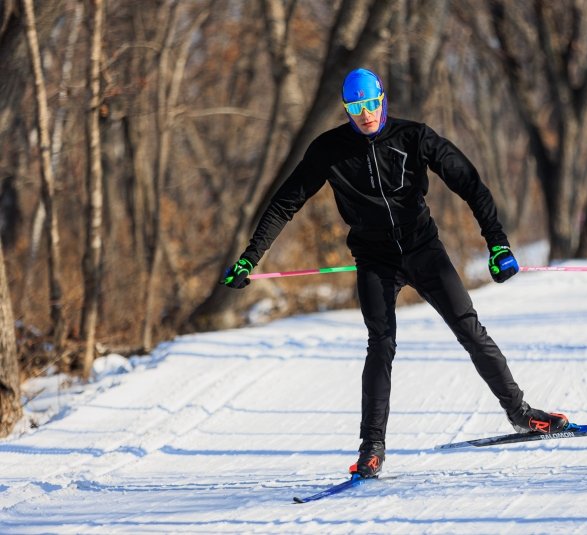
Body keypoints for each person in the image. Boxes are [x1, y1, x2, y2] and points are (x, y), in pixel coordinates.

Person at [220, 68, 568, 478]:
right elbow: (284, 204)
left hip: (423, 249)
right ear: (346, 108)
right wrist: (250, 257)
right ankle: (372, 448)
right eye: (355, 107)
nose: (365, 114)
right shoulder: (328, 150)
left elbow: (470, 183)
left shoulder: (414, 137)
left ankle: (521, 413)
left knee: (468, 328)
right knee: (381, 344)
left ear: (383, 99)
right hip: (374, 258)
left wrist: (498, 243)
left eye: (371, 103)